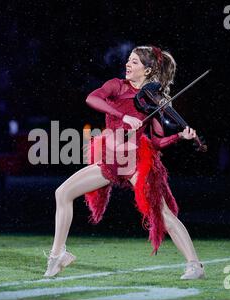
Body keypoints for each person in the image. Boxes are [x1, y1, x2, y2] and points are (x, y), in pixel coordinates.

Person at [44, 45, 205, 280]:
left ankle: (195, 265)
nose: (128, 64)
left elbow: (158, 142)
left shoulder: (155, 100)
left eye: (135, 62)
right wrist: (123, 116)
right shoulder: (116, 86)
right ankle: (58, 255)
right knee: (63, 193)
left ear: (148, 71)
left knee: (163, 213)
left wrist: (180, 136)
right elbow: (92, 98)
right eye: (128, 60)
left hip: (136, 162)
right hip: (111, 160)